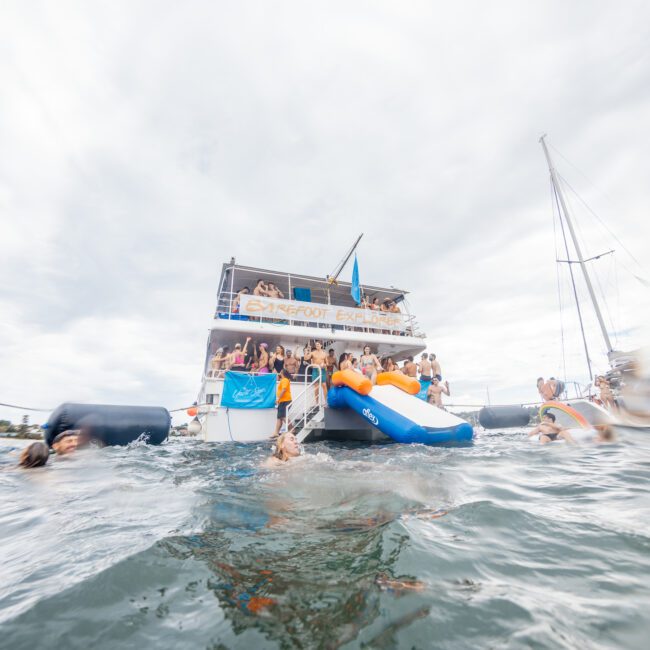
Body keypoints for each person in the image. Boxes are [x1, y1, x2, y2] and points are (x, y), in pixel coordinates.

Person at [274, 369, 293, 437]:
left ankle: (292, 429)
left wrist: (278, 398)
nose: (279, 373)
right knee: (279, 417)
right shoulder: (283, 380)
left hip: (285, 401)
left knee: (283, 416)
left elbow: (284, 389)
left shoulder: (285, 380)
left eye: (280, 372)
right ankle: (276, 433)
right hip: (282, 401)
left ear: (282, 373)